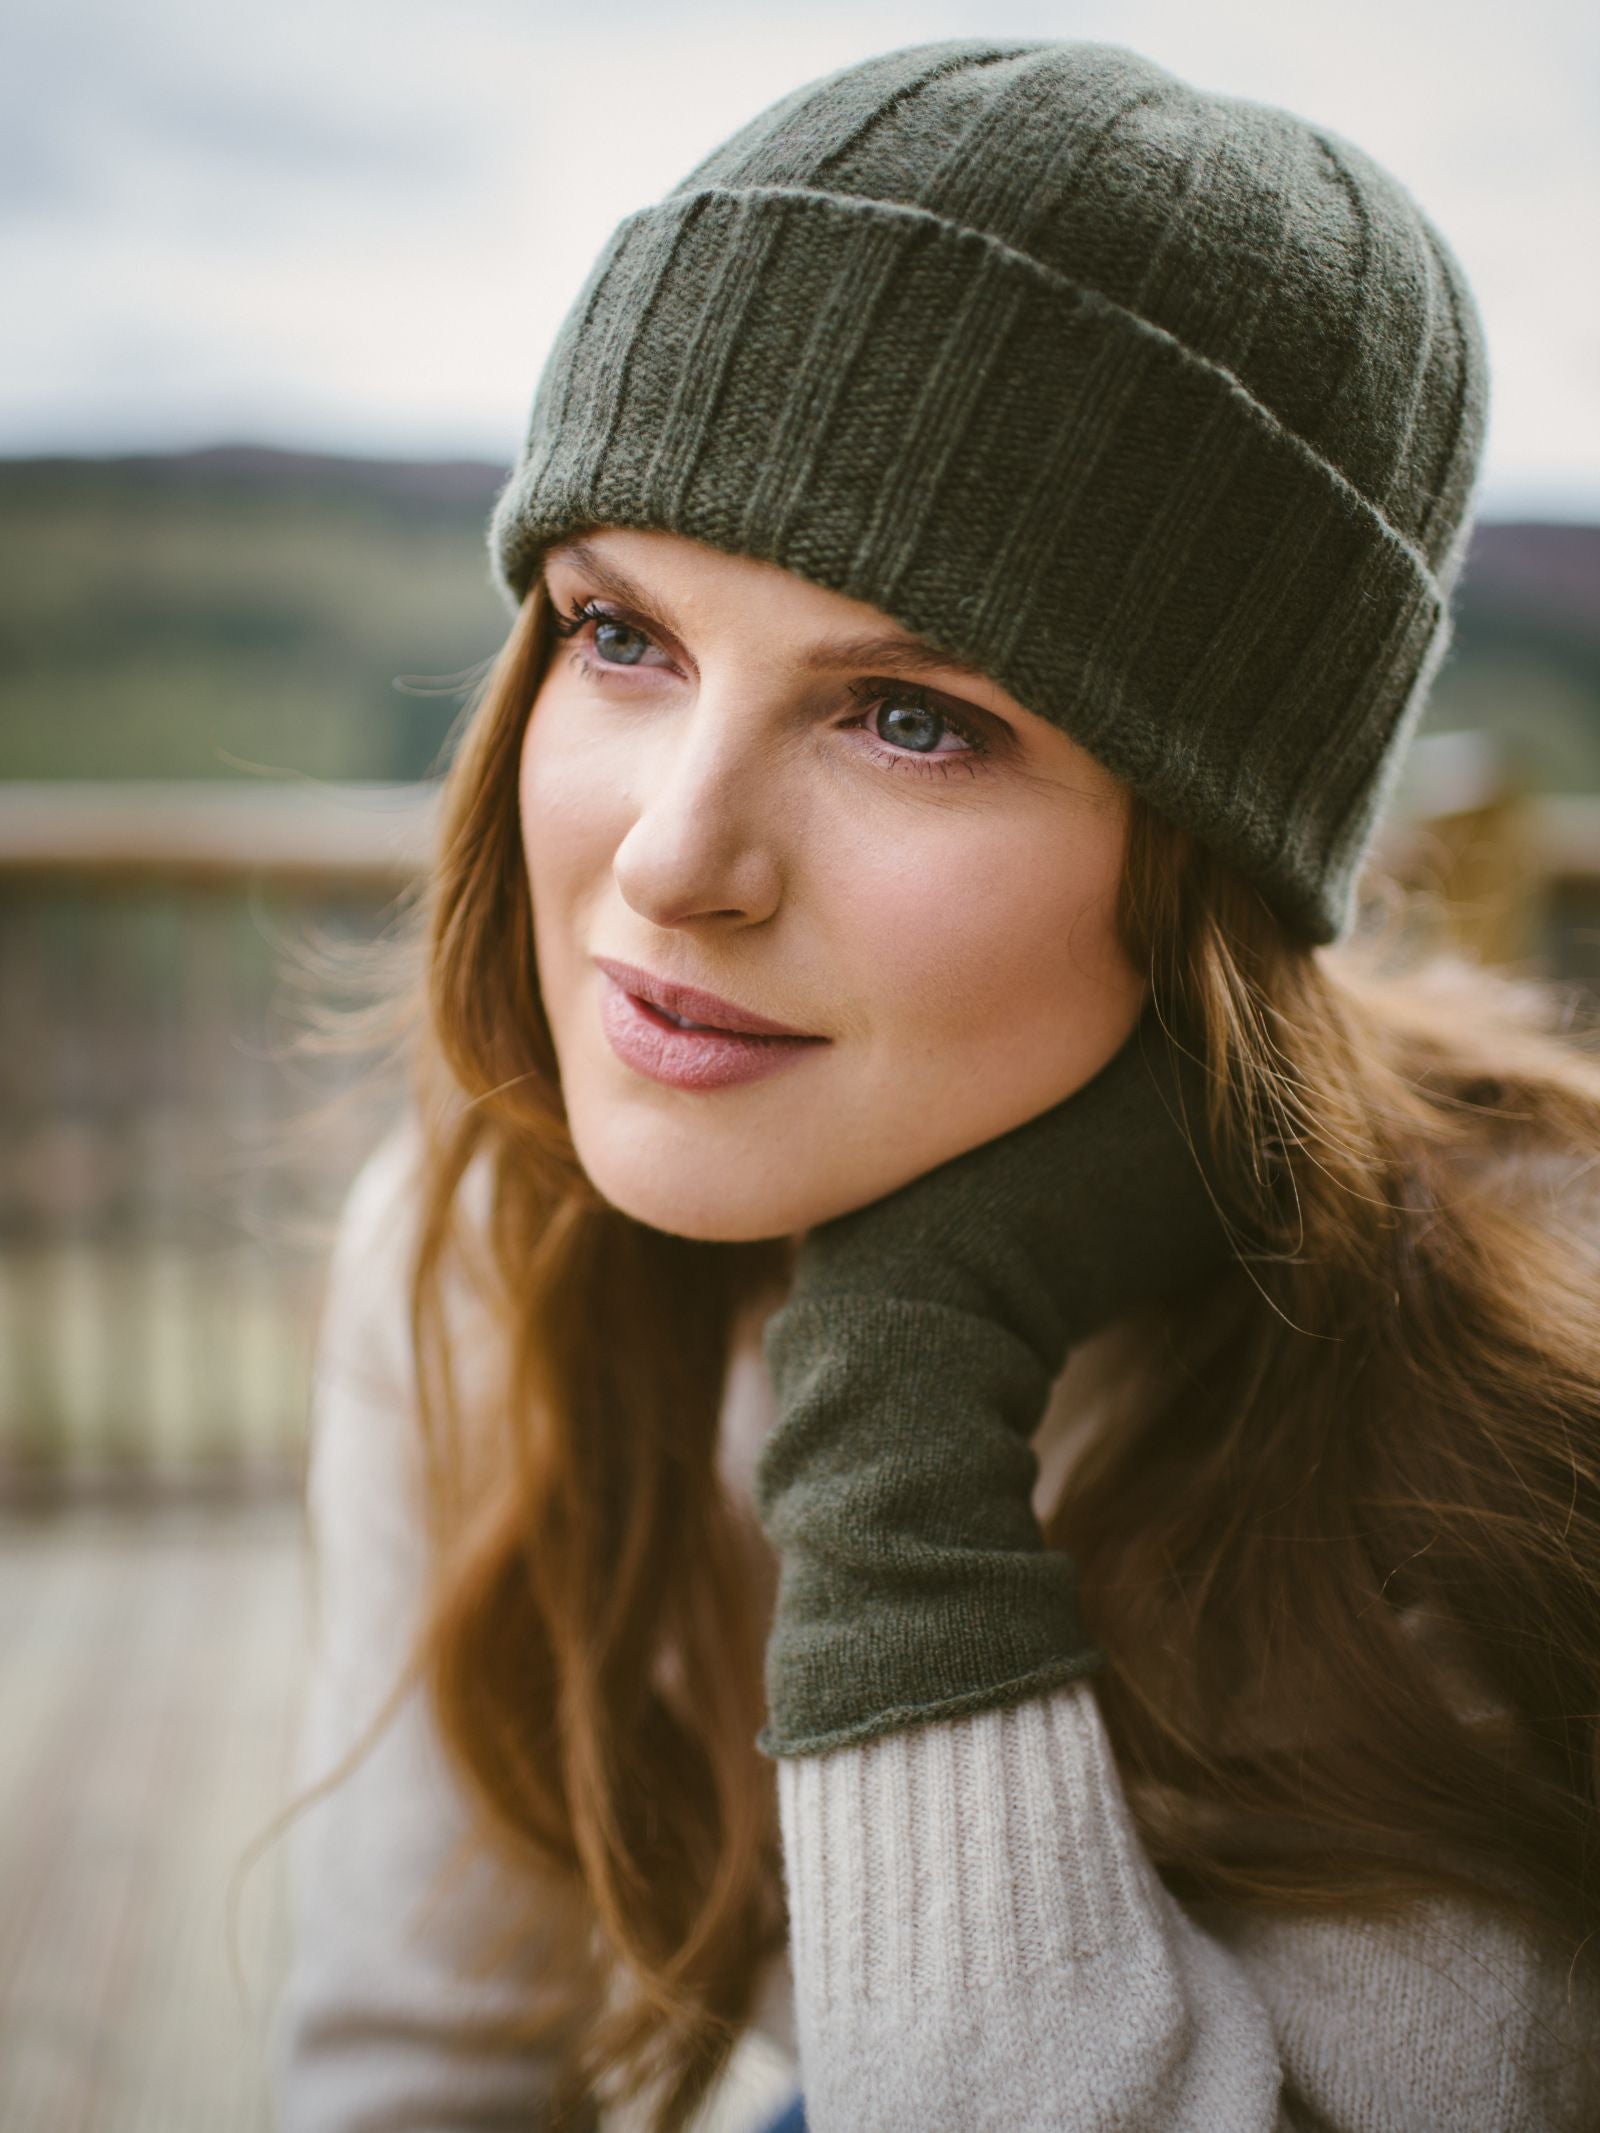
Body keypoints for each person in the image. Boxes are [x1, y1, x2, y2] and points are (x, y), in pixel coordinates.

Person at [266, 36, 1600, 2133]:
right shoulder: (474, 1252)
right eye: (620, 636)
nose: (672, 858)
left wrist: (898, 1390)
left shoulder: (1509, 1381)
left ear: (1205, 851)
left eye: (907, 715)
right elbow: (419, 2075)